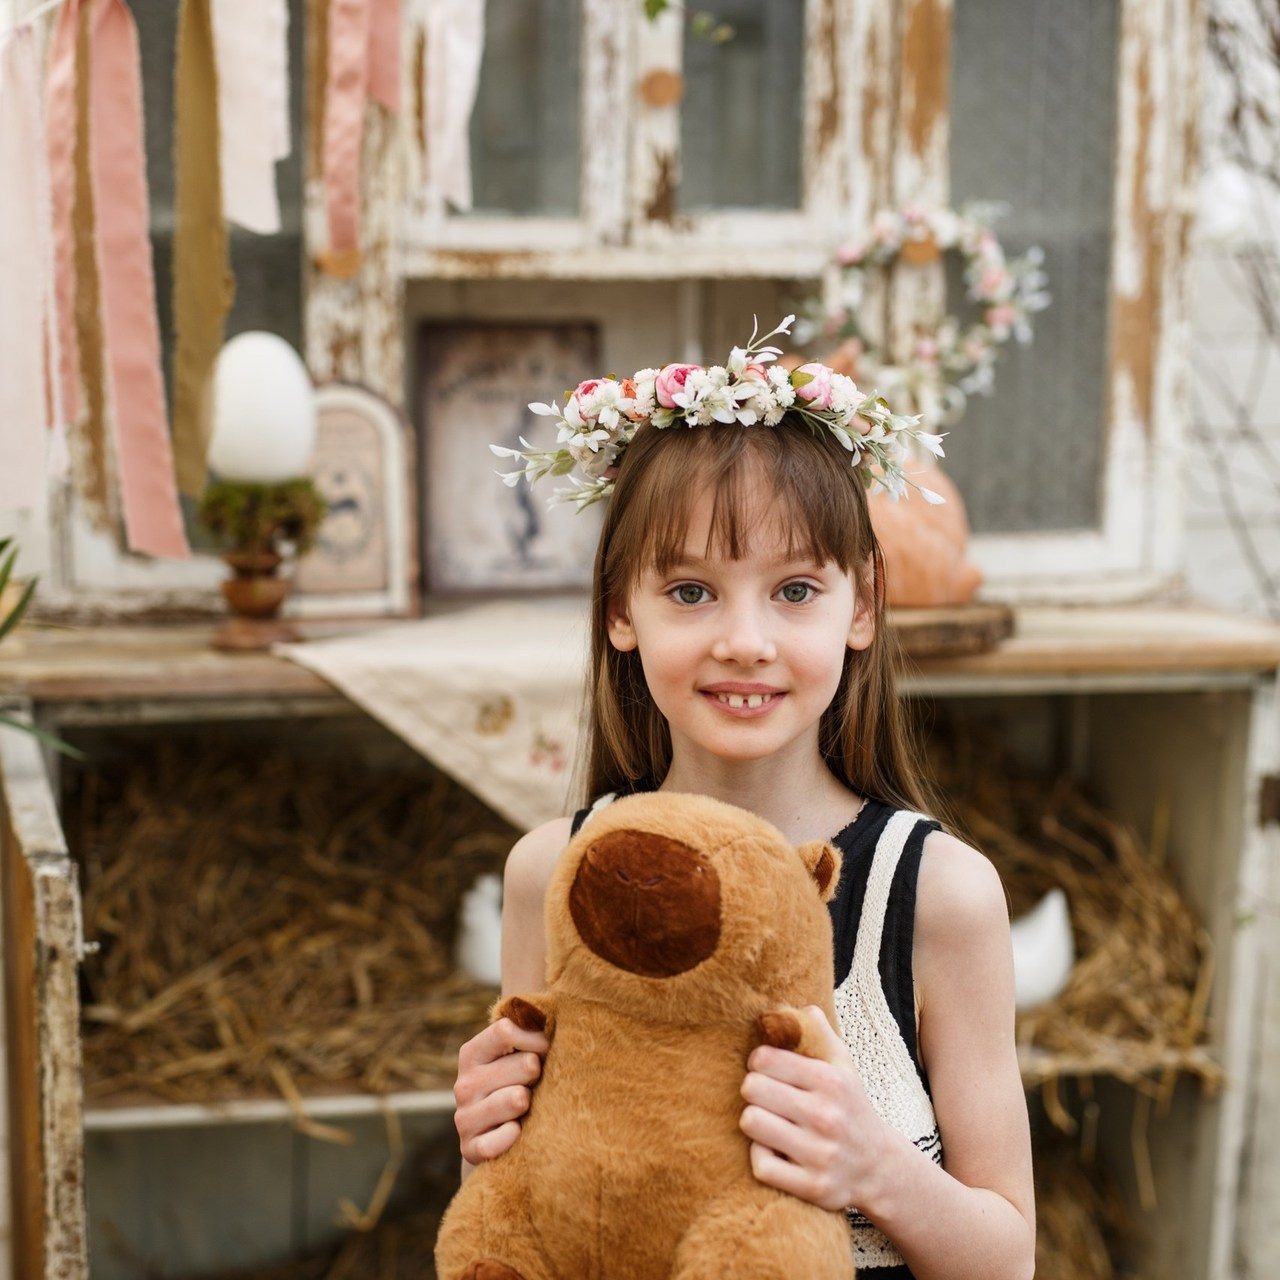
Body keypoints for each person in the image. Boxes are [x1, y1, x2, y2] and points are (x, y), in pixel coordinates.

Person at [453, 319, 1036, 1279]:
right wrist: (487, 1137)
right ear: (617, 612)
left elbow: (1007, 1258)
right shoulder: (554, 874)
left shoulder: (939, 895)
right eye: (690, 592)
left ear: (864, 608)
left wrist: (874, 1165)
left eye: (795, 589)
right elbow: (525, 1214)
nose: (745, 640)